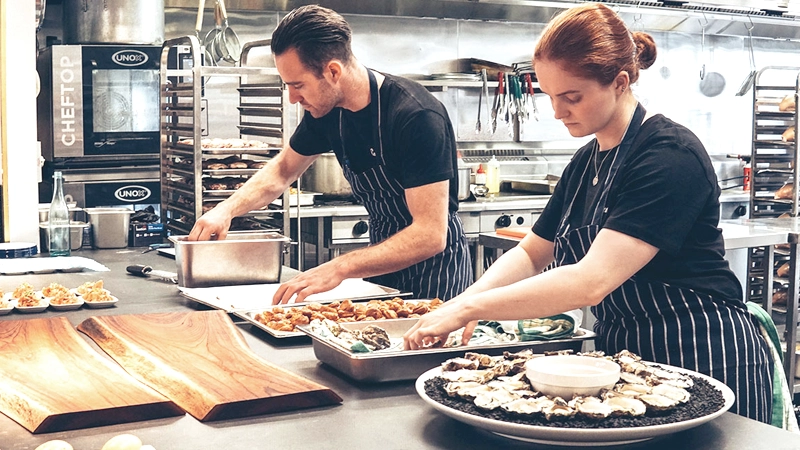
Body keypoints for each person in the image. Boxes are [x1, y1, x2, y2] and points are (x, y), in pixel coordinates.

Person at [403, 3, 774, 423]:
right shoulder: (585, 162)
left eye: (571, 97)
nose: (558, 112)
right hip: (628, 364)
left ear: (619, 82)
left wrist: (472, 310)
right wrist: (462, 301)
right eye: (550, 97)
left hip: (704, 352)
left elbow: (590, 281)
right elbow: (530, 254)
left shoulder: (669, 155)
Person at [188, 5, 472, 304]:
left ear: (333, 71)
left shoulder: (415, 115)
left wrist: (340, 267)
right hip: (381, 263)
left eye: (298, 85)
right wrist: (225, 210)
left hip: (437, 275)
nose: (293, 98)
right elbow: (284, 170)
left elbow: (429, 234)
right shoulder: (327, 111)